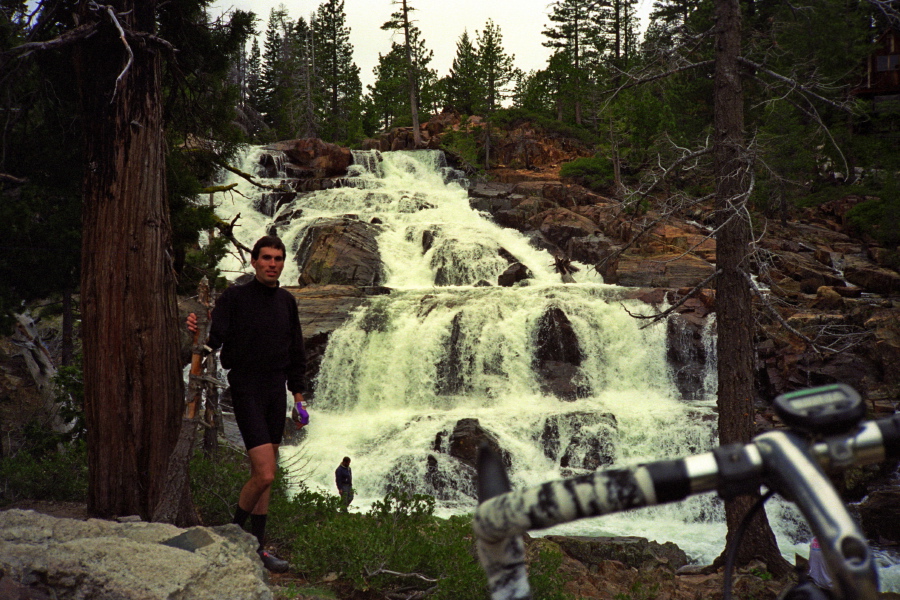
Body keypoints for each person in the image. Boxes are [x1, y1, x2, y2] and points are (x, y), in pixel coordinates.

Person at [187, 235, 308, 573]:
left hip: (275, 392)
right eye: (266, 258)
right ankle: (232, 536)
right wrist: (197, 332)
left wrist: (298, 398)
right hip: (246, 388)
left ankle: (257, 548)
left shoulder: (287, 302)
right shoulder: (236, 297)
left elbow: (296, 352)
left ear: (283, 263)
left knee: (262, 473)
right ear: (254, 261)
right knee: (267, 474)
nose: (272, 264)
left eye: (278, 258)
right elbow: (213, 339)